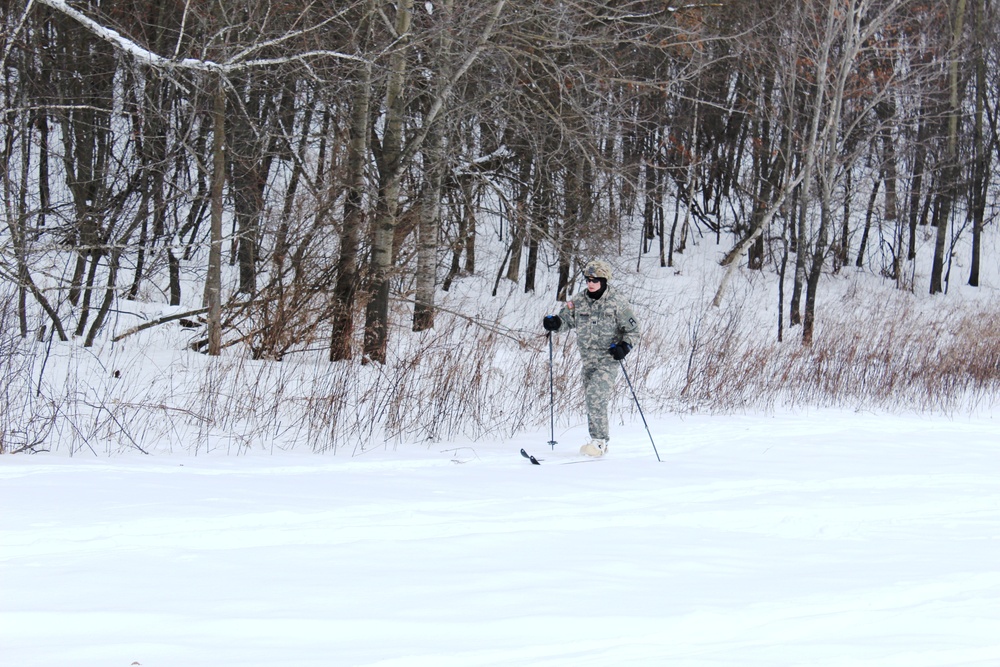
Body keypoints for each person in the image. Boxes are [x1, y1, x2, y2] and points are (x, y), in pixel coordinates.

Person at [542, 260, 639, 457]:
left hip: (608, 359)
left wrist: (624, 346)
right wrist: (554, 323)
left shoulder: (617, 302)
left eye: (595, 280)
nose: (591, 283)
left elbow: (633, 330)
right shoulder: (579, 301)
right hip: (588, 360)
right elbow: (565, 320)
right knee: (590, 398)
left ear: (604, 281)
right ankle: (597, 440)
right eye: (588, 280)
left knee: (596, 396)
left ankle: (600, 442)